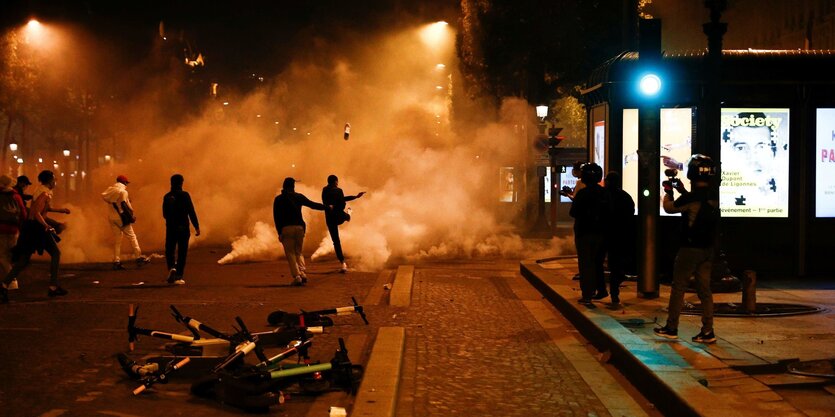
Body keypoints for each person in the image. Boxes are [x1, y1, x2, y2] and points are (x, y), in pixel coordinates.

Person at [654, 154, 720, 344]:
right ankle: (708, 331)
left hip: (689, 249)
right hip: (707, 249)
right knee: (705, 291)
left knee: (679, 287)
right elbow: (695, 206)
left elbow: (669, 208)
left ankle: (671, 327)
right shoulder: (713, 197)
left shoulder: (691, 198)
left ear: (691, 173)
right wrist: (682, 191)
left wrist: (668, 192)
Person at [1, 170, 70, 303]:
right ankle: (53, 286)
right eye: (54, 179)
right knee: (56, 253)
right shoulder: (44, 193)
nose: (55, 182)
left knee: (24, 260)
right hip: (36, 228)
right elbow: (36, 212)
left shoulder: (42, 191)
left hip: (32, 228)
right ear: (50, 181)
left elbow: (44, 208)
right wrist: (47, 225)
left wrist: (61, 210)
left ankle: (3, 285)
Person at [569, 163, 610, 304]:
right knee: (598, 263)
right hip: (602, 233)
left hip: (584, 233)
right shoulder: (604, 193)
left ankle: (587, 294)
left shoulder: (583, 194)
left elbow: (573, 212)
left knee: (586, 263)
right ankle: (601, 289)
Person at [273, 177, 326, 286]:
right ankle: (303, 273)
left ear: (284, 186)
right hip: (299, 228)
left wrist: (279, 232)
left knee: (290, 253)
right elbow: (313, 205)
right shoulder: (299, 197)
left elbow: (277, 217)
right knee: (298, 252)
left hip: (286, 228)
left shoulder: (278, 199)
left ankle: (297, 276)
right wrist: (327, 207)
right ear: (293, 186)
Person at [102, 175, 150, 270]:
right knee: (132, 236)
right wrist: (131, 217)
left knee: (117, 240)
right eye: (126, 183)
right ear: (124, 183)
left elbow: (116, 202)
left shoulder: (110, 190)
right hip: (121, 218)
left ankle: (117, 261)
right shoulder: (123, 191)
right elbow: (123, 205)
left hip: (111, 218)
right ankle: (138, 257)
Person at [322, 174, 365, 273]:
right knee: (347, 217)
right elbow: (342, 201)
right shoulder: (338, 190)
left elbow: (326, 202)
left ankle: (342, 262)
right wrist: (356, 197)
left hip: (329, 218)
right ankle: (349, 213)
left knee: (336, 241)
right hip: (339, 215)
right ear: (335, 181)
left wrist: (355, 197)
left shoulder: (324, 190)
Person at [603, 171, 635, 305]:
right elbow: (631, 214)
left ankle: (610, 291)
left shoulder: (604, 196)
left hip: (608, 234)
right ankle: (614, 291)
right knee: (619, 265)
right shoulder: (625, 196)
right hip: (623, 235)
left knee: (611, 263)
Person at [162, 174, 200, 285]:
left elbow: (164, 214)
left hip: (171, 228)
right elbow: (191, 211)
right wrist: (196, 226)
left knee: (170, 250)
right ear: (181, 183)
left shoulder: (167, 196)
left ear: (171, 183)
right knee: (182, 252)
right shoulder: (185, 195)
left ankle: (171, 268)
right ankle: (179, 276)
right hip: (183, 227)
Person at [0, 175, 27, 291]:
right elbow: (23, 213)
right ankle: (10, 279)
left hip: (1, 229)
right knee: (11, 256)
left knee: (2, 256)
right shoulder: (16, 195)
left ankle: (11, 281)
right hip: (14, 229)